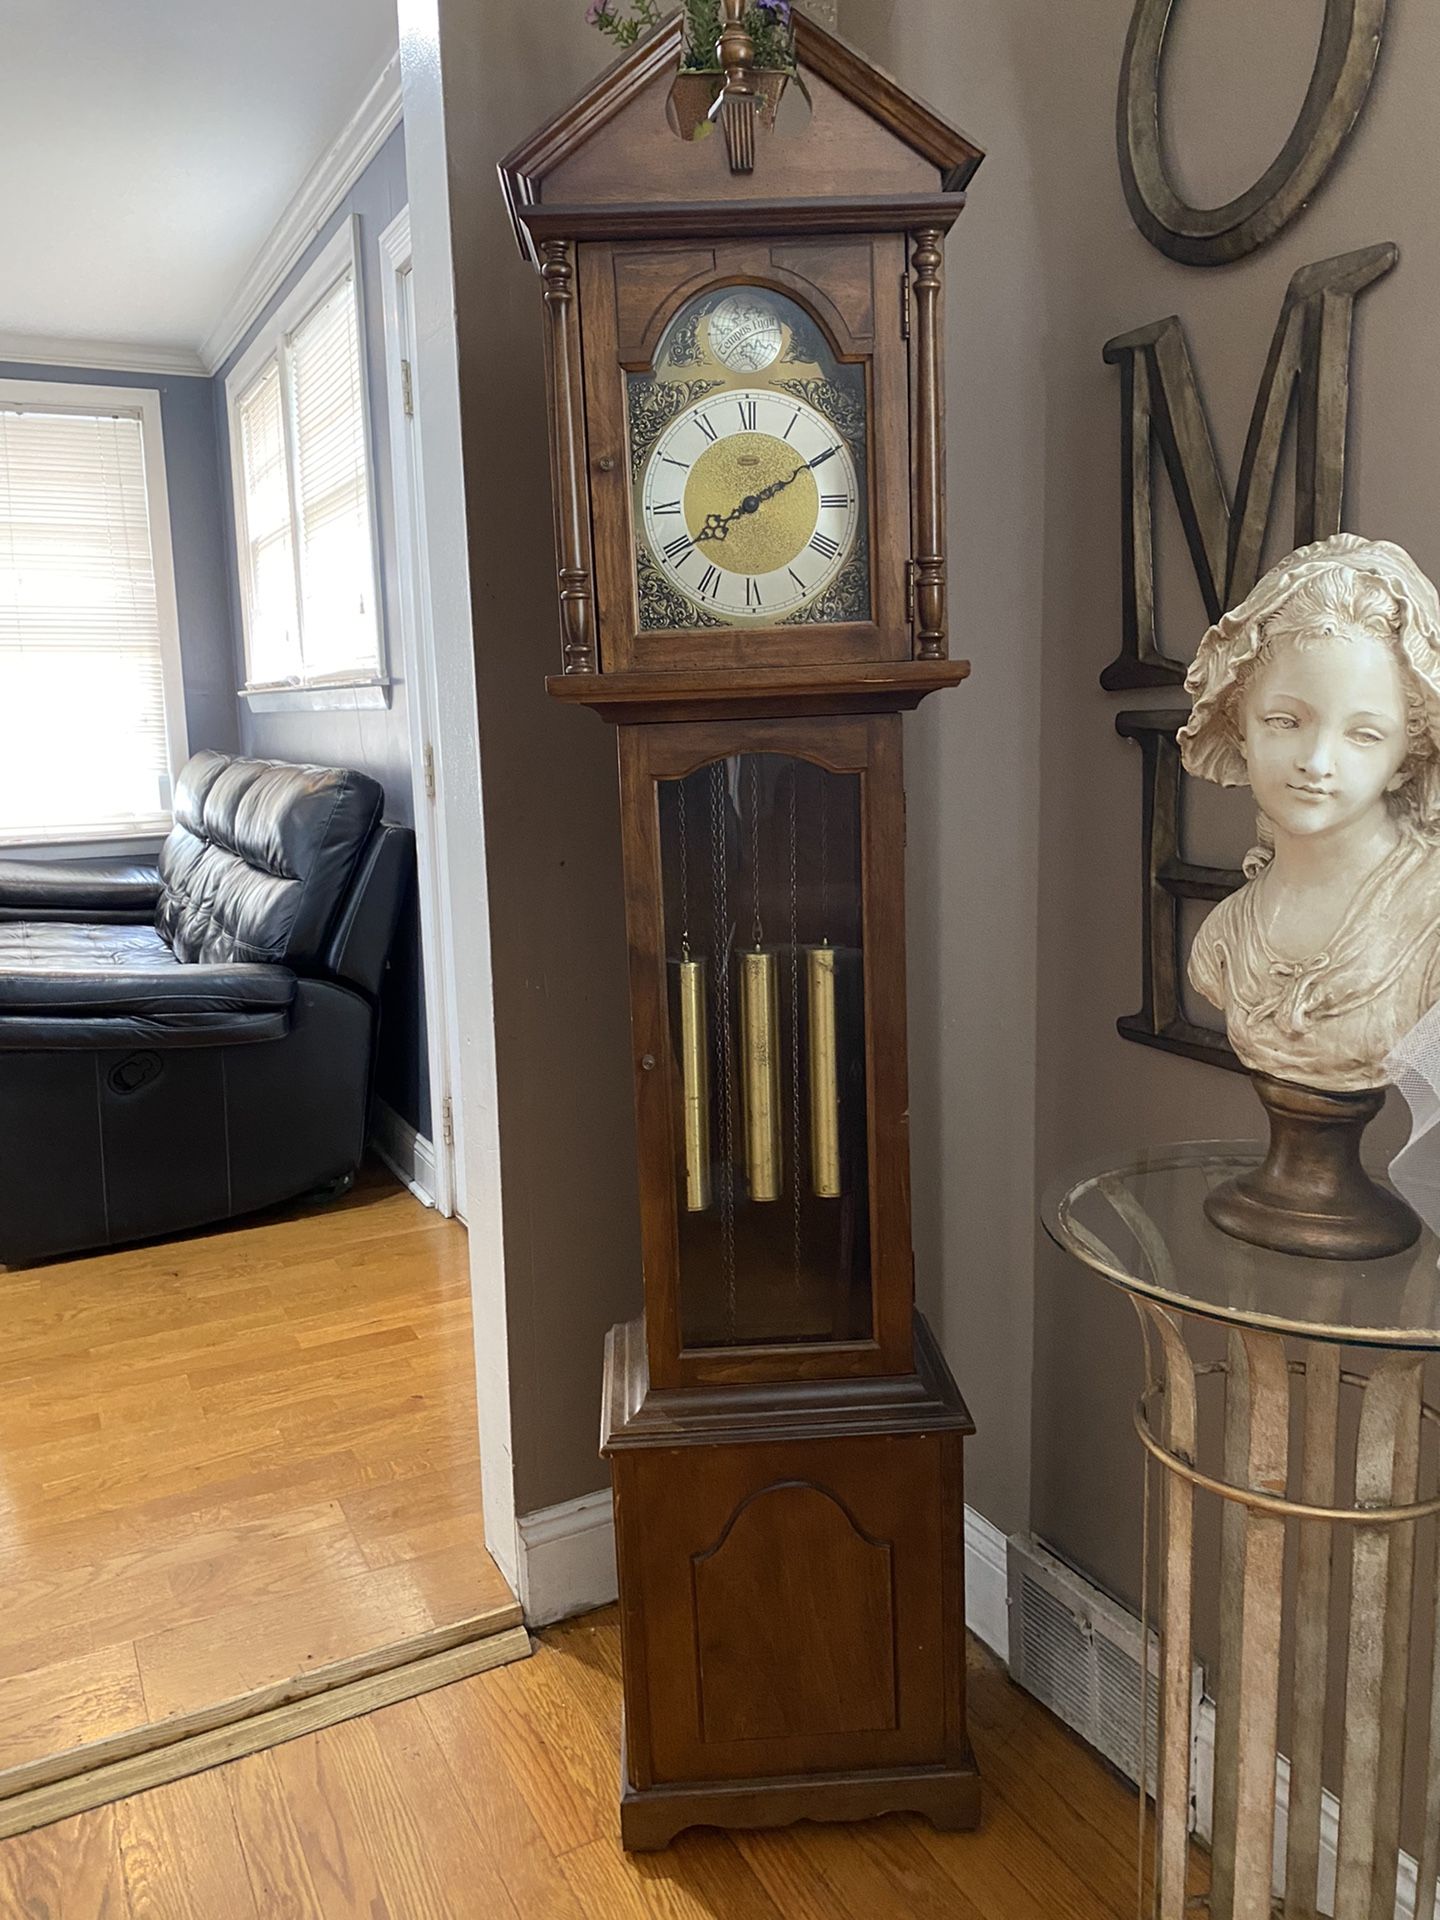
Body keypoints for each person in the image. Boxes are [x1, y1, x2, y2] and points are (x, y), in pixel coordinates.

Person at [1178, 532, 1440, 1093]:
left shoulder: (1431, 922)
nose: (1317, 762)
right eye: (1284, 722)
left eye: (1363, 734)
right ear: (1240, 727)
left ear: (1407, 757)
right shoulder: (1225, 936)